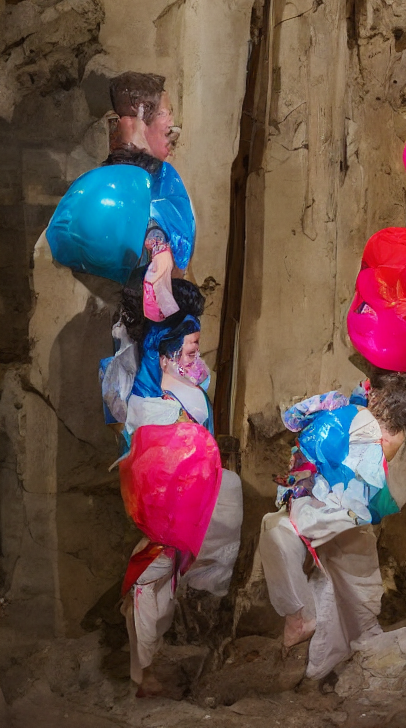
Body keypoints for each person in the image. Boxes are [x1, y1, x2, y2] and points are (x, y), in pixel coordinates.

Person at [259, 369, 406, 679]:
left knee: (280, 536)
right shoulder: (401, 435)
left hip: (337, 518)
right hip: (349, 522)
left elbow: (304, 433)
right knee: (350, 616)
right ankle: (320, 658)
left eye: (375, 389)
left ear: (380, 396)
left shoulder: (359, 421)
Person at [103, 282, 243, 696]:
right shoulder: (155, 403)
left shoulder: (178, 389)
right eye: (191, 351)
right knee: (149, 578)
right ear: (165, 355)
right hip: (168, 508)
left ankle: (146, 666)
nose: (198, 359)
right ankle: (144, 672)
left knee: (161, 582)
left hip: (187, 505)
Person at [105, 72, 192, 320]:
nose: (172, 124)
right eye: (165, 113)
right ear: (141, 114)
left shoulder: (163, 179)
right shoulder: (132, 182)